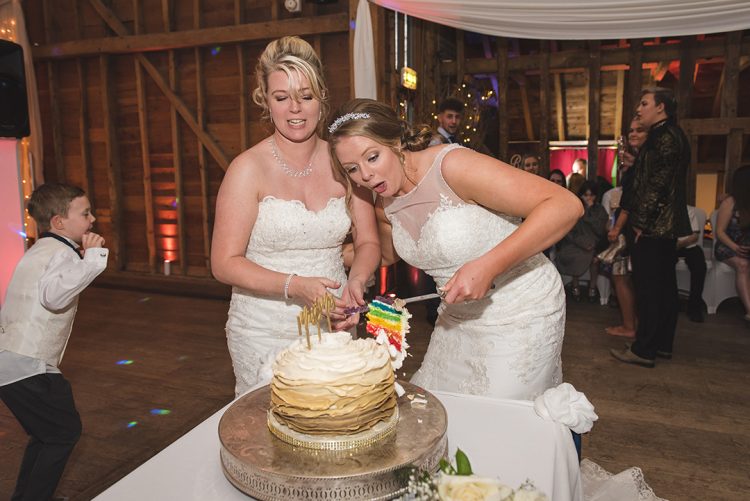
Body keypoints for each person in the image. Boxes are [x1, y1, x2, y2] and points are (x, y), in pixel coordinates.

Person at [327, 98, 582, 400]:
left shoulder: (452, 166)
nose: (365, 176)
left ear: (395, 141)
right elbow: (384, 254)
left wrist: (489, 266)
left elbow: (565, 206)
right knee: (438, 409)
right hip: (457, 317)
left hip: (521, 306)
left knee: (496, 415)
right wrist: (331, 262)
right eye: (352, 169)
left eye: (372, 157)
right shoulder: (385, 201)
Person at [210, 37, 380, 397]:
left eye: (305, 95)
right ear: (266, 101)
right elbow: (224, 263)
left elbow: (367, 241)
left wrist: (356, 282)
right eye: (281, 97)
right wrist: (295, 285)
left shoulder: (343, 159)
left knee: (334, 420)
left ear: (322, 96)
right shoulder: (246, 170)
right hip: (262, 327)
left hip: (333, 322)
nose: (295, 108)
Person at [0, 183, 108, 501]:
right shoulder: (62, 252)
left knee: (49, 434)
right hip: (25, 361)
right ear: (59, 222)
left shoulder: (45, 249)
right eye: (85, 213)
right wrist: (92, 260)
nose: (92, 219)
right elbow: (54, 297)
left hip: (17, 359)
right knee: (63, 433)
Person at [610, 88, 691, 367]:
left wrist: (640, 223)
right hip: (662, 226)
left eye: (644, 104)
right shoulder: (665, 136)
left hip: (654, 227)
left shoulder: (665, 137)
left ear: (661, 108)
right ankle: (661, 345)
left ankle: (644, 350)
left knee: (649, 290)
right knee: (665, 289)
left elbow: (657, 185)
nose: (639, 109)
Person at [603, 118, 647, 338]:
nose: (633, 134)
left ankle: (629, 326)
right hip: (631, 227)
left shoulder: (644, 165)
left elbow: (630, 202)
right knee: (623, 277)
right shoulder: (637, 165)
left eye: (640, 130)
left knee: (621, 276)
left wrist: (617, 228)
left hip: (632, 229)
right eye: (631, 131)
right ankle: (632, 322)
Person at [555, 180, 609, 303]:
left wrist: (588, 212)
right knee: (576, 256)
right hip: (576, 244)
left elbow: (600, 229)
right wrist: (581, 243)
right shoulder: (575, 208)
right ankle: (575, 286)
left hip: (594, 244)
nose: (589, 198)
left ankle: (592, 288)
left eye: (591, 195)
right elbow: (569, 231)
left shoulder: (600, 210)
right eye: (586, 195)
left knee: (594, 260)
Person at [714, 165, 750, 324]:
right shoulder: (730, 202)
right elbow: (720, 232)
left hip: (747, 246)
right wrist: (735, 248)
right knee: (743, 265)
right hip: (728, 246)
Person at [676, 206, 707, 323]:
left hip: (687, 244)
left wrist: (679, 244)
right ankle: (672, 302)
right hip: (667, 245)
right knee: (664, 264)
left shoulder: (689, 210)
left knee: (699, 265)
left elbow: (695, 236)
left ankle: (694, 307)